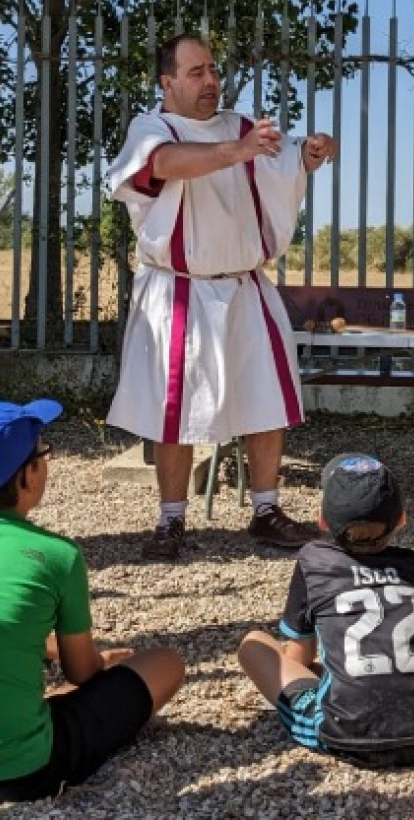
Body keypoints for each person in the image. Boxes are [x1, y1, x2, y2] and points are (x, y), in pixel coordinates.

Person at [107, 34, 339, 559]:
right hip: (180, 290)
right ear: (167, 82)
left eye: (213, 70)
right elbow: (163, 165)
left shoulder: (238, 125)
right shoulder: (153, 128)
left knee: (266, 399)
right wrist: (237, 151)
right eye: (196, 73)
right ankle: (171, 520)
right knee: (175, 410)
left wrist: (310, 152)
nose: (211, 81)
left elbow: (279, 167)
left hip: (244, 285)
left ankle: (266, 509)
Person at [0, 398, 185, 806]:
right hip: (19, 770)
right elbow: (82, 672)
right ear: (27, 476)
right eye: (43, 453)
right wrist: (107, 662)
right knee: (166, 663)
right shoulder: (57, 556)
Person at [238, 453, 414, 768]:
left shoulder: (314, 562)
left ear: (322, 521)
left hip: (344, 734)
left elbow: (299, 657)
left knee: (253, 644)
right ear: (402, 519)